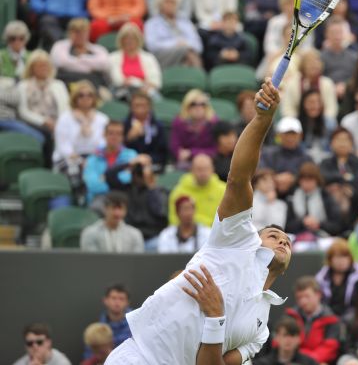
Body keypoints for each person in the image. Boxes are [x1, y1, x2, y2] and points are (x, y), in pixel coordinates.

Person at [105, 78, 293, 364]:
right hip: (140, 357)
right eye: (273, 235)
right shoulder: (237, 238)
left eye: (287, 241)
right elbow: (239, 179)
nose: (282, 240)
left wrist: (215, 316)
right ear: (255, 238)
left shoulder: (261, 331)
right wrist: (262, 119)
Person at [17, 50, 70, 165]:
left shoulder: (58, 85)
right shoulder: (23, 85)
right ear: (32, 68)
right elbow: (23, 111)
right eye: (39, 65)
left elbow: (65, 108)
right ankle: (48, 165)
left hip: (58, 122)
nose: (43, 68)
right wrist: (45, 121)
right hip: (34, 122)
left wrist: (59, 123)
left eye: (46, 65)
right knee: (46, 134)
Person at [53, 80, 109, 175]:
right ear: (75, 98)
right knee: (76, 170)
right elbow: (63, 146)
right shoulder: (65, 118)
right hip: (69, 158)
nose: (85, 98)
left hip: (95, 157)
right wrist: (79, 160)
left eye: (89, 95)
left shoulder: (102, 119)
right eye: (81, 95)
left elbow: (104, 143)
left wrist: (93, 160)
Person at [284, 276, 341, 364]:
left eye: (307, 296)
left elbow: (329, 349)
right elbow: (281, 343)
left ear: (318, 295)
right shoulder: (290, 317)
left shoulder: (332, 320)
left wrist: (305, 360)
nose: (303, 301)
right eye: (299, 297)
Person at [145, 0, 203, 69]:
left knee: (188, 55)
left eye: (173, 2)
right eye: (167, 2)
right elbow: (152, 46)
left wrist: (185, 45)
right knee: (188, 53)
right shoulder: (152, 24)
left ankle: (188, 77)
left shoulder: (185, 22)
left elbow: (198, 46)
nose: (171, 5)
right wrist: (176, 44)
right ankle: (198, 75)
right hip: (162, 58)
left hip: (185, 54)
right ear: (160, 4)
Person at [285, 163, 343, 242]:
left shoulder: (325, 197)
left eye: (310, 180)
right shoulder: (292, 197)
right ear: (299, 181)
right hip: (298, 238)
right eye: (304, 180)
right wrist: (302, 222)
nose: (307, 184)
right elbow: (287, 226)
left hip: (323, 237)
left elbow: (337, 226)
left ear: (317, 180)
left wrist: (319, 224)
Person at [83, 121, 139, 204]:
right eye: (111, 133)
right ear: (104, 135)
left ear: (123, 136)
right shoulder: (92, 159)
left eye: (118, 134)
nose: (114, 137)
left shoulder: (131, 155)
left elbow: (127, 179)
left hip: (123, 197)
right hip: (99, 198)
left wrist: (105, 178)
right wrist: (113, 180)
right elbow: (93, 185)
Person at [50, 18, 110, 90]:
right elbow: (61, 62)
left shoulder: (99, 49)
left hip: (93, 84)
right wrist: (91, 67)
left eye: (82, 32)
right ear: (69, 33)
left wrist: (81, 59)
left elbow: (104, 64)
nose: (79, 36)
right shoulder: (59, 46)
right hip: (66, 82)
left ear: (88, 33)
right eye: (76, 32)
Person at [259, 116, 314, 196]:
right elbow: (261, 173)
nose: (290, 138)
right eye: (286, 134)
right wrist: (275, 179)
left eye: (293, 134)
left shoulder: (307, 158)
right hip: (270, 196)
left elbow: (312, 178)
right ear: (279, 135)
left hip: (300, 197)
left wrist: (293, 179)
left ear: (300, 136)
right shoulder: (268, 154)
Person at [167, 154, 226, 226]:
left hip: (215, 234)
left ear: (212, 169)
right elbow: (173, 219)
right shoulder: (179, 191)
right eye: (199, 169)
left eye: (206, 169)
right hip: (187, 234)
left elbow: (227, 220)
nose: (203, 173)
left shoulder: (224, 190)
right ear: (191, 170)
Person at [109, 22, 162, 100]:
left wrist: (144, 86)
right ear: (121, 40)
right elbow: (116, 80)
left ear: (138, 40)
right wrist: (130, 83)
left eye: (132, 38)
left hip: (145, 92)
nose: (129, 41)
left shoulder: (149, 57)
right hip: (122, 92)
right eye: (126, 38)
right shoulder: (112, 57)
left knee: (156, 98)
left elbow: (156, 81)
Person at [314, 238, 358, 318]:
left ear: (350, 259)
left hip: (353, 318)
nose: (341, 261)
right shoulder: (320, 279)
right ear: (330, 260)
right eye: (337, 257)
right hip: (327, 317)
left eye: (344, 257)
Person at [281, 48, 338, 120]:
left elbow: (331, 109)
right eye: (310, 62)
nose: (314, 65)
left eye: (317, 61)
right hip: (298, 118)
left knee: (330, 122)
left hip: (321, 121)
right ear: (303, 65)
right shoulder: (292, 83)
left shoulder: (327, 83)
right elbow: (287, 108)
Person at [80, 191, 144, 252]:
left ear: (126, 211)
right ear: (105, 208)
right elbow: (90, 260)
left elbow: (136, 261)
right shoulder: (90, 233)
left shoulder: (135, 234)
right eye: (113, 208)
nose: (117, 213)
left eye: (120, 208)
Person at [171, 90, 218, 169]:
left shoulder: (214, 123)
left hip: (209, 162)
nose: (198, 107)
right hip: (186, 163)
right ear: (187, 107)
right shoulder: (179, 122)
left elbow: (216, 150)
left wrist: (191, 153)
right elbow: (175, 147)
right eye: (193, 104)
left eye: (202, 104)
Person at [123, 90, 168, 168]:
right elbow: (117, 149)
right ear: (131, 107)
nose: (140, 108)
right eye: (137, 105)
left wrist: (149, 158)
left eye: (143, 105)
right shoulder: (124, 125)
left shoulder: (158, 125)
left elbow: (163, 152)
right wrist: (129, 138)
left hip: (152, 164)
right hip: (128, 163)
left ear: (150, 106)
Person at [320, 18, 358, 99]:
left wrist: (346, 86)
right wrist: (332, 88)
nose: (337, 36)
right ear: (326, 34)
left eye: (339, 32)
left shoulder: (354, 56)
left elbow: (357, 78)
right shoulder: (320, 58)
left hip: (350, 94)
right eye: (333, 33)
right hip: (327, 95)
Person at [254, 317, 318, 365]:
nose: (288, 340)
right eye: (285, 335)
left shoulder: (309, 363)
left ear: (299, 339)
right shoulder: (262, 363)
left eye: (292, 335)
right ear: (276, 337)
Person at [319, 127, 358, 193]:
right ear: (331, 143)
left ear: (352, 144)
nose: (342, 143)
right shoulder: (325, 163)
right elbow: (323, 178)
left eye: (345, 140)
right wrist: (343, 178)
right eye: (338, 139)